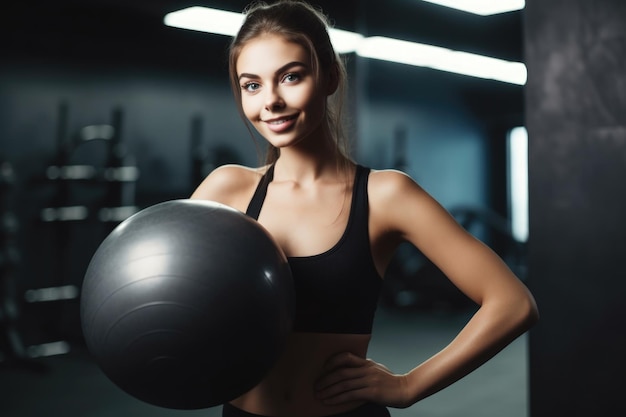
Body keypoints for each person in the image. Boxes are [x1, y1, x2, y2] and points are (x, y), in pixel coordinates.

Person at [190, 1, 539, 416]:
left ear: (331, 76)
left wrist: (410, 385)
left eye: (291, 77)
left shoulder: (386, 195)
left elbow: (513, 303)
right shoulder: (225, 190)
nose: (271, 101)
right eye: (252, 85)